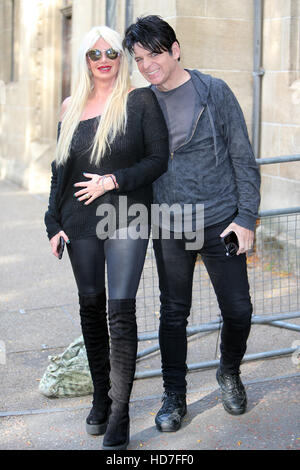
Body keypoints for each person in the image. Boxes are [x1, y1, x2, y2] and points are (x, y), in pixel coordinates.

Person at [123, 15, 261, 432]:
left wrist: (246, 217)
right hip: (170, 223)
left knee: (239, 309)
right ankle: (174, 395)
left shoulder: (213, 91)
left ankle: (229, 372)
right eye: (139, 58)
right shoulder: (140, 102)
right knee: (173, 314)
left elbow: (242, 156)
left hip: (221, 221)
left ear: (176, 49)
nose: (148, 65)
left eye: (155, 54)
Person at [44, 25, 169, 450]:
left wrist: (113, 180)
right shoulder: (69, 106)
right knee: (91, 307)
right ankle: (101, 395)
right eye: (94, 54)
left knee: (120, 310)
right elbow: (59, 174)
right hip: (78, 221)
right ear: (85, 60)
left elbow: (157, 160)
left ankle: (119, 412)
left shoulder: (140, 101)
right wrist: (52, 223)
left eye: (111, 53)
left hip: (125, 214)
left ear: (121, 58)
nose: (103, 60)